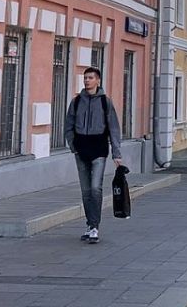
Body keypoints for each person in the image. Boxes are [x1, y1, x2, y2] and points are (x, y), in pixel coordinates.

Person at [65, 66, 123, 244]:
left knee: (96, 188)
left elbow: (113, 127)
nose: (87, 81)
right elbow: (68, 125)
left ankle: (95, 226)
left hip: (99, 149)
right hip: (81, 149)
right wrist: (73, 146)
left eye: (90, 78)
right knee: (85, 191)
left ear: (98, 80)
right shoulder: (76, 102)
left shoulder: (105, 102)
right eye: (85, 78)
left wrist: (116, 153)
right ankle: (90, 225)